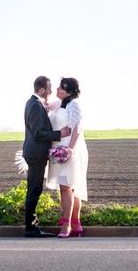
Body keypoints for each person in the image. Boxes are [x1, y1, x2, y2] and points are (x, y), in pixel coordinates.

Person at [22, 76, 71, 238]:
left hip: (34, 153)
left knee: (34, 188)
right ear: (42, 90)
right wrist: (59, 134)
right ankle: (31, 228)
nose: (51, 92)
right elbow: (38, 133)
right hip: (36, 153)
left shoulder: (34, 104)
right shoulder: (35, 105)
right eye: (49, 89)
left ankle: (32, 226)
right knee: (34, 189)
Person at [46, 77, 89, 238]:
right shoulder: (58, 104)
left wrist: (69, 149)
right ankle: (76, 222)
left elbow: (77, 129)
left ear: (69, 91)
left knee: (66, 186)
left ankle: (67, 224)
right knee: (69, 187)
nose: (57, 89)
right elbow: (46, 106)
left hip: (69, 149)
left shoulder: (74, 105)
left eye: (61, 88)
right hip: (57, 148)